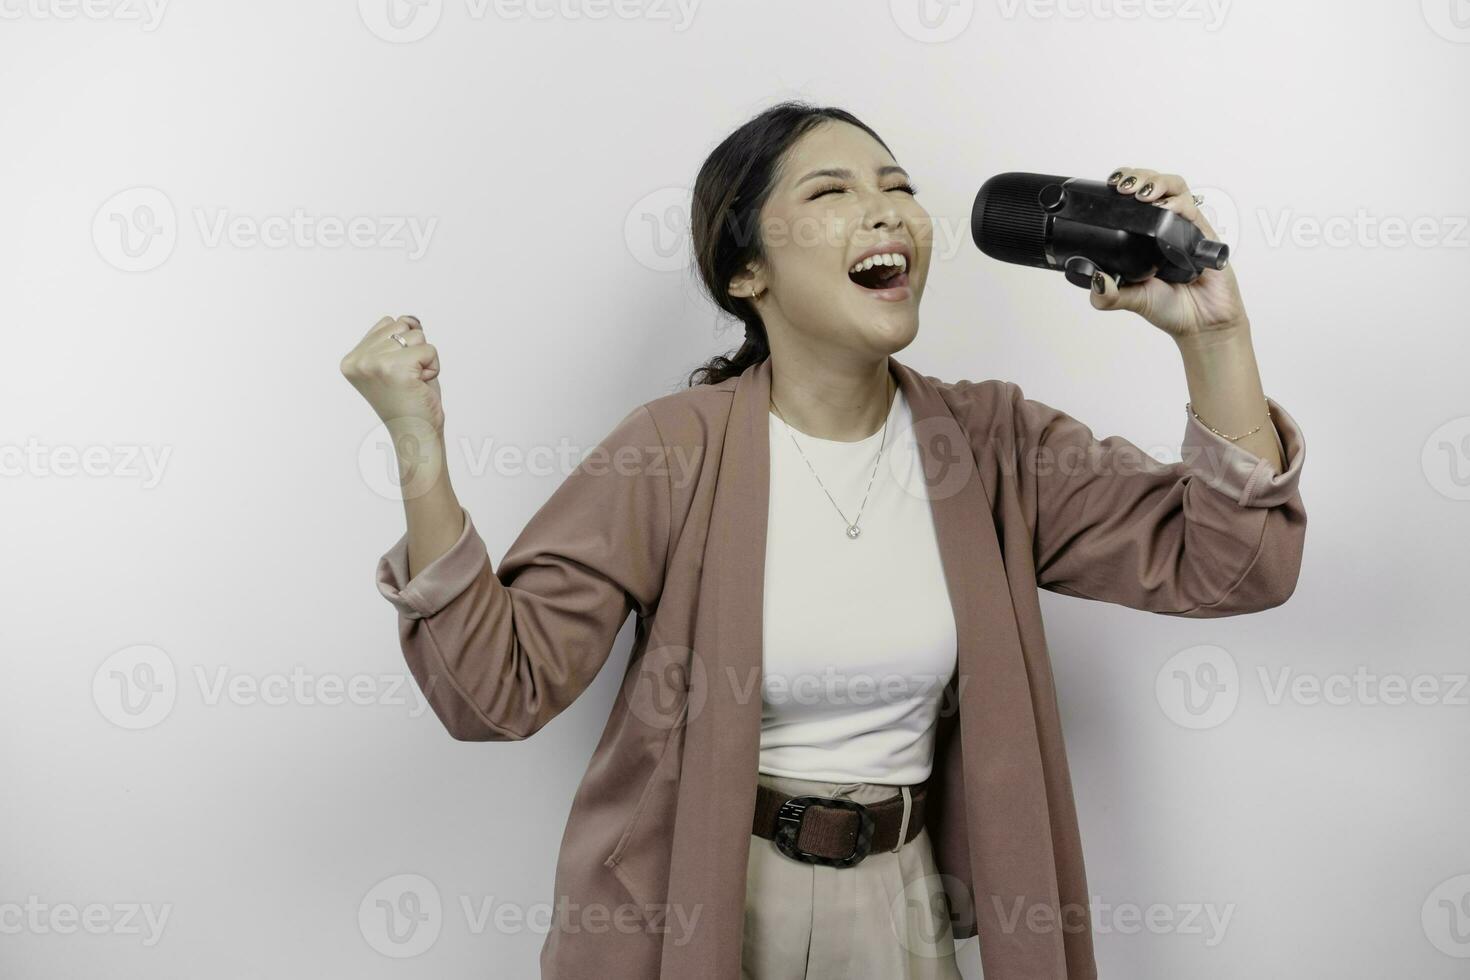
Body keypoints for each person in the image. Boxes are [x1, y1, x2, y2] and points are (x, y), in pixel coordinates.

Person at [339, 101, 1305, 979]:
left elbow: (1233, 564)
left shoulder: (993, 442)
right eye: (832, 192)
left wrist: (1212, 335)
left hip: (902, 908)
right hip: (710, 910)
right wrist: (418, 445)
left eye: (898, 189)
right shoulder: (672, 450)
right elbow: (496, 690)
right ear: (745, 269)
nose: (885, 212)